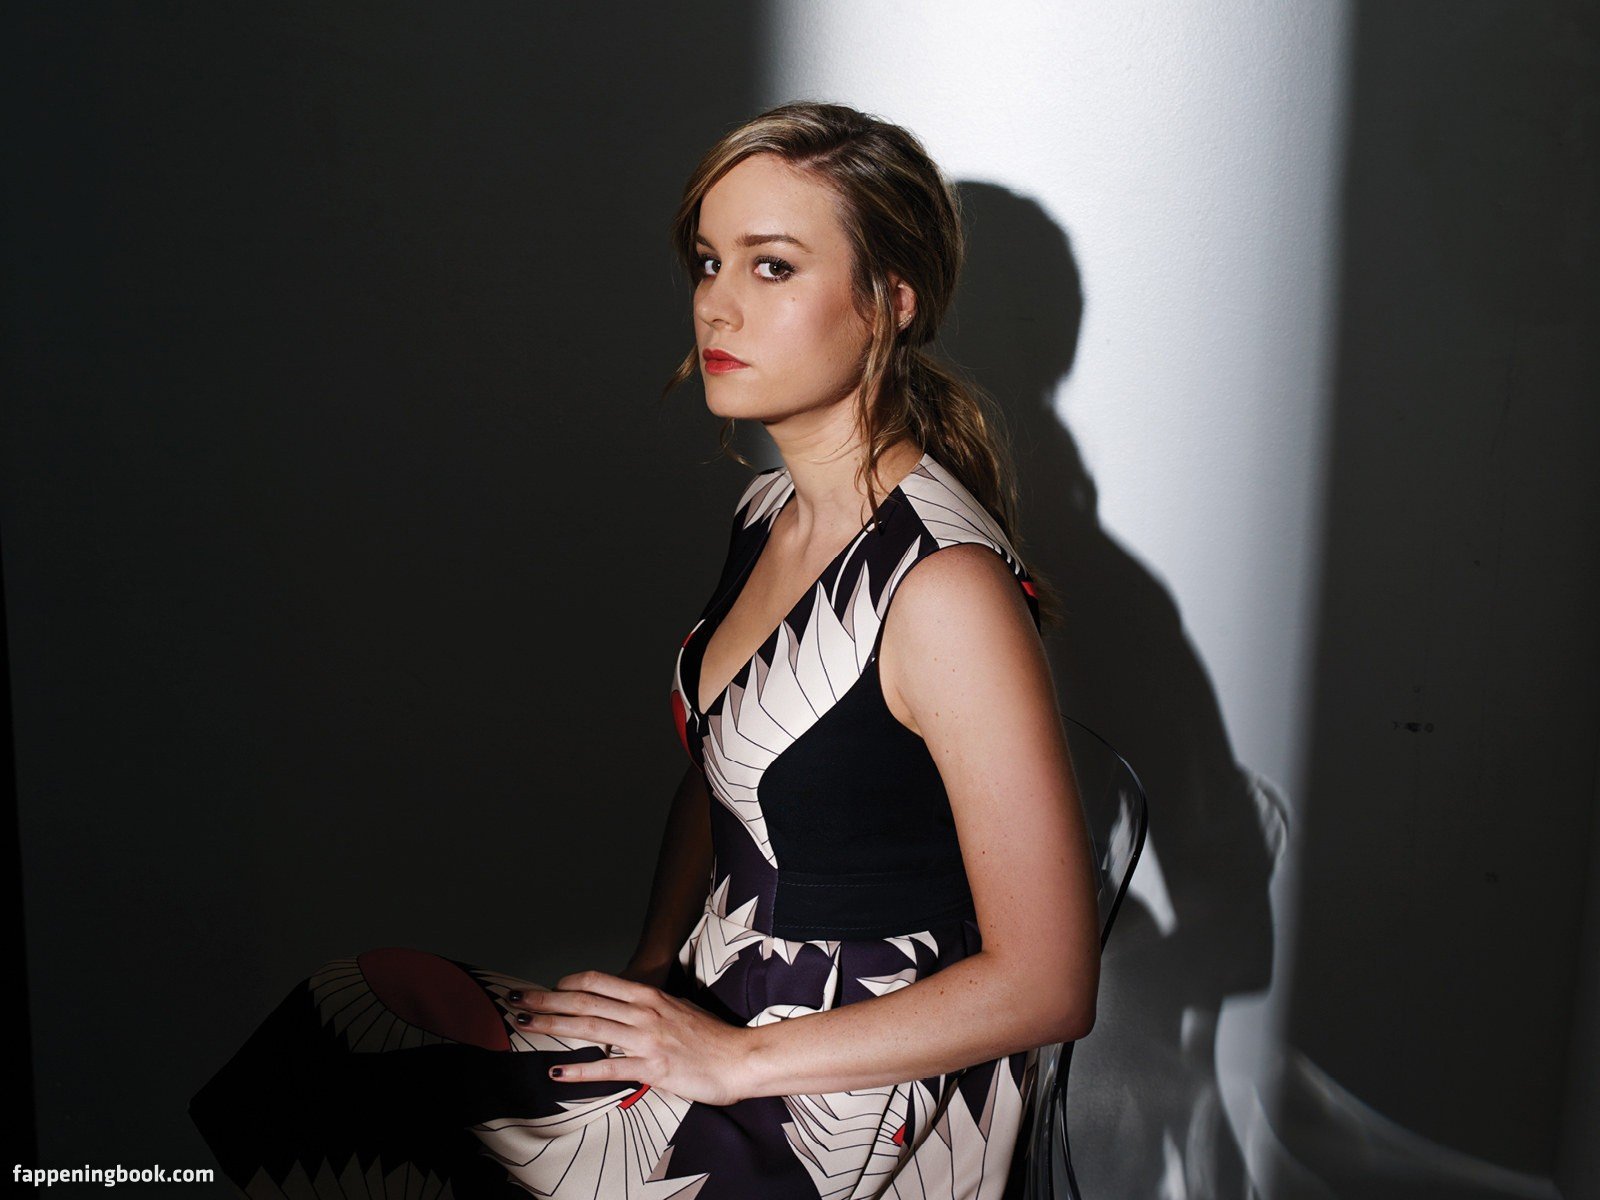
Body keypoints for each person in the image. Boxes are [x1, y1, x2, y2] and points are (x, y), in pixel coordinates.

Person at [189, 100, 1101, 1200]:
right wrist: (653, 968)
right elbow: (720, 774)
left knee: (396, 1103)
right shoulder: (771, 513)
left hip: (842, 1098)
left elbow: (1049, 984)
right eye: (710, 261)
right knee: (352, 1009)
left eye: (772, 267)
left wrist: (726, 1060)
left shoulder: (942, 588)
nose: (717, 301)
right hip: (720, 1007)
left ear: (891, 302)